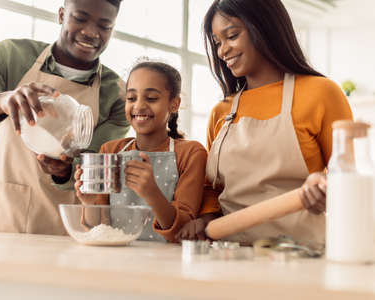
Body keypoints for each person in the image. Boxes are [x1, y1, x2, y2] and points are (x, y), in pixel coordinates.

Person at [176, 0, 352, 245]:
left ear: (265, 27)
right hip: (232, 256)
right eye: (217, 42)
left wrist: (324, 185)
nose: (222, 50)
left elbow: (347, 175)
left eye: (232, 36)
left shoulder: (322, 93)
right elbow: (212, 190)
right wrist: (205, 220)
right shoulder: (222, 112)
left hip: (303, 255)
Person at [0, 0, 129, 235]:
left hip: (65, 229)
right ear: (62, 15)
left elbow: (94, 170)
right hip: (1, 217)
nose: (91, 32)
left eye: (104, 25)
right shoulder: (10, 56)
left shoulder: (117, 94)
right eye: (80, 18)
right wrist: (1, 100)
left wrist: (64, 171)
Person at [74, 61, 208, 242]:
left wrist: (152, 193)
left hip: (167, 263)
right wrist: (90, 203)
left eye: (151, 98)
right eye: (131, 98)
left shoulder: (191, 153)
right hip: (116, 260)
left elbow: (184, 229)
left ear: (174, 104)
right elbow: (98, 228)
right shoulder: (110, 150)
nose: (139, 105)